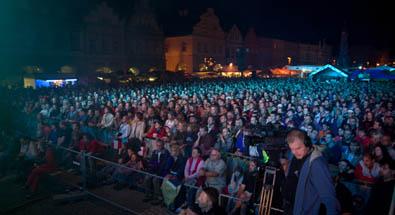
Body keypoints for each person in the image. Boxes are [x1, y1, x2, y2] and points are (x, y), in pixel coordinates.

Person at [282, 128, 340, 215]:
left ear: (307, 143)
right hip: (291, 208)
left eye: (298, 148)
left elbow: (328, 196)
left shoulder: (317, 163)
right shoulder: (296, 156)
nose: (294, 152)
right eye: (292, 149)